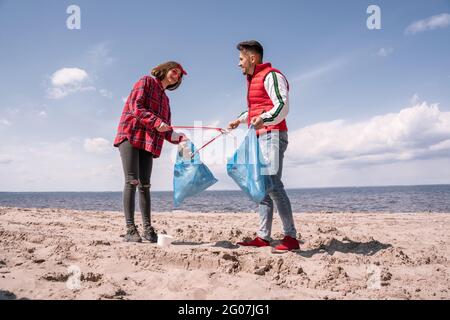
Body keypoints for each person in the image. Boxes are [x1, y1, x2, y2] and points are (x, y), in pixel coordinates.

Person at [228, 40, 300, 251]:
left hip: (274, 134)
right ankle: (263, 237)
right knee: (262, 188)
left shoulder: (272, 75)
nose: (239, 64)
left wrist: (265, 120)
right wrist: (239, 120)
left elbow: (282, 106)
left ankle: (291, 238)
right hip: (260, 136)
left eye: (241, 59)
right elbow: (257, 109)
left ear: (252, 58)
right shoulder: (253, 79)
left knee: (272, 184)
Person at [113, 61, 188, 242]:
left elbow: (165, 129)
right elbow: (135, 106)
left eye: (179, 75)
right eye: (174, 71)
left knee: (145, 185)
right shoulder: (145, 81)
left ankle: (148, 229)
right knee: (132, 181)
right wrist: (156, 122)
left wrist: (179, 137)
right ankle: (131, 229)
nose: (176, 76)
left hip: (148, 142)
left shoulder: (166, 100)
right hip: (131, 134)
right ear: (165, 69)